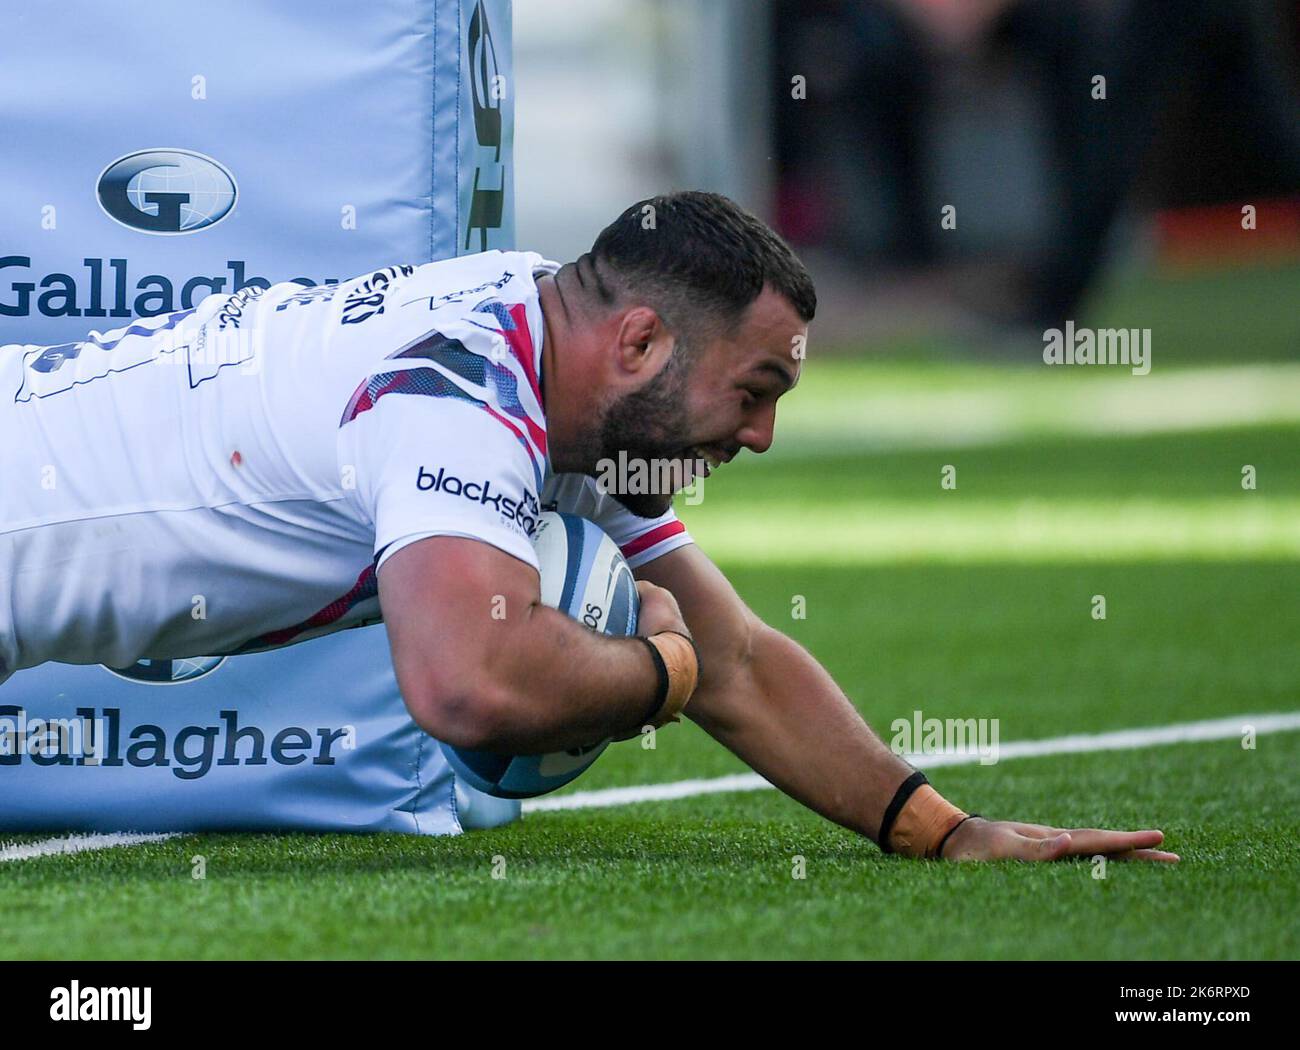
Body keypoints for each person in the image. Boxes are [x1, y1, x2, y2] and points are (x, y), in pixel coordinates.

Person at [0, 191, 1177, 863]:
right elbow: (470, 688)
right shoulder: (462, 393)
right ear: (643, 345)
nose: (757, 438)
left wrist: (938, 827)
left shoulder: (558, 348)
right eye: (754, 390)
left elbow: (741, 659)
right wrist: (652, 673)